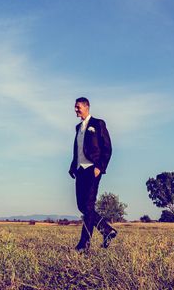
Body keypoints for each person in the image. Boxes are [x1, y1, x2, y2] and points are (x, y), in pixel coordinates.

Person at [69, 97, 117, 251]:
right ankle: (107, 230)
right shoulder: (78, 127)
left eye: (78, 107)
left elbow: (107, 147)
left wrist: (100, 167)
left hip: (93, 169)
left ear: (86, 107)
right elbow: (77, 149)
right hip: (80, 170)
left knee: (88, 205)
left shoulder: (98, 124)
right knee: (82, 206)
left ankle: (84, 244)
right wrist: (73, 166)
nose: (75, 110)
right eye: (75, 107)